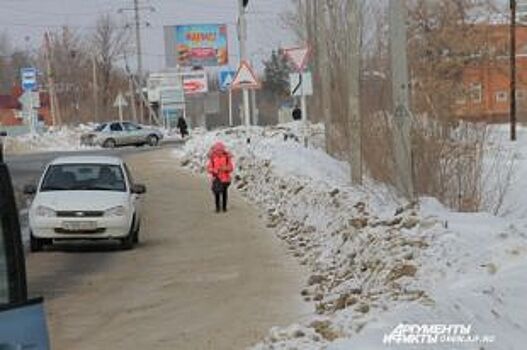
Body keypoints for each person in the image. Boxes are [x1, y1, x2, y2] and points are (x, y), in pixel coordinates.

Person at [207, 142, 234, 213]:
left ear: (223, 150)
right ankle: (217, 207)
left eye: (220, 150)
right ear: (215, 150)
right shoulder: (213, 158)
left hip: (225, 179)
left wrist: (225, 168)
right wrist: (214, 170)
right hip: (217, 179)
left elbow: (231, 168)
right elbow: (209, 168)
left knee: (224, 193)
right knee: (217, 194)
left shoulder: (226, 158)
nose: (219, 152)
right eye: (217, 150)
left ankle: (224, 207)